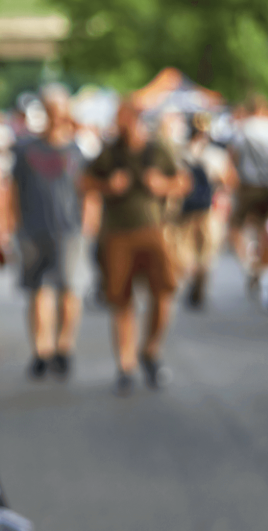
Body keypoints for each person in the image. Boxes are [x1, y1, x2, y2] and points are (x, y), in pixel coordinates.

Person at [83, 96, 189, 395]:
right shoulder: (110, 152)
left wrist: (162, 185)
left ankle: (151, 350)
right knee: (121, 299)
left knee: (163, 292)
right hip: (117, 233)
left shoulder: (158, 148)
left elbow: (183, 181)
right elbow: (85, 182)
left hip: (153, 230)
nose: (119, 124)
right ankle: (125, 365)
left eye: (123, 118)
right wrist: (108, 186)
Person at [11, 84, 89, 378]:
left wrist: (88, 222)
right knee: (37, 291)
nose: (56, 116)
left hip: (69, 230)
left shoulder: (76, 149)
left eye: (60, 110)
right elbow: (13, 190)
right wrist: (13, 224)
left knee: (70, 291)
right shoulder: (26, 149)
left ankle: (63, 347)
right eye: (51, 110)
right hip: (33, 228)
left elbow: (87, 191)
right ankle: (40, 351)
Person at [167, 113, 235, 308]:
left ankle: (192, 279)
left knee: (183, 248)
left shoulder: (180, 153)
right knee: (206, 250)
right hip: (209, 209)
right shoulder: (215, 154)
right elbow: (227, 181)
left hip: (184, 208)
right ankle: (199, 280)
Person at [228, 93, 268, 293]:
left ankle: (248, 263)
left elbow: (233, 156)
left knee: (235, 226)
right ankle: (260, 265)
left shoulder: (242, 127)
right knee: (264, 227)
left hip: (248, 185)